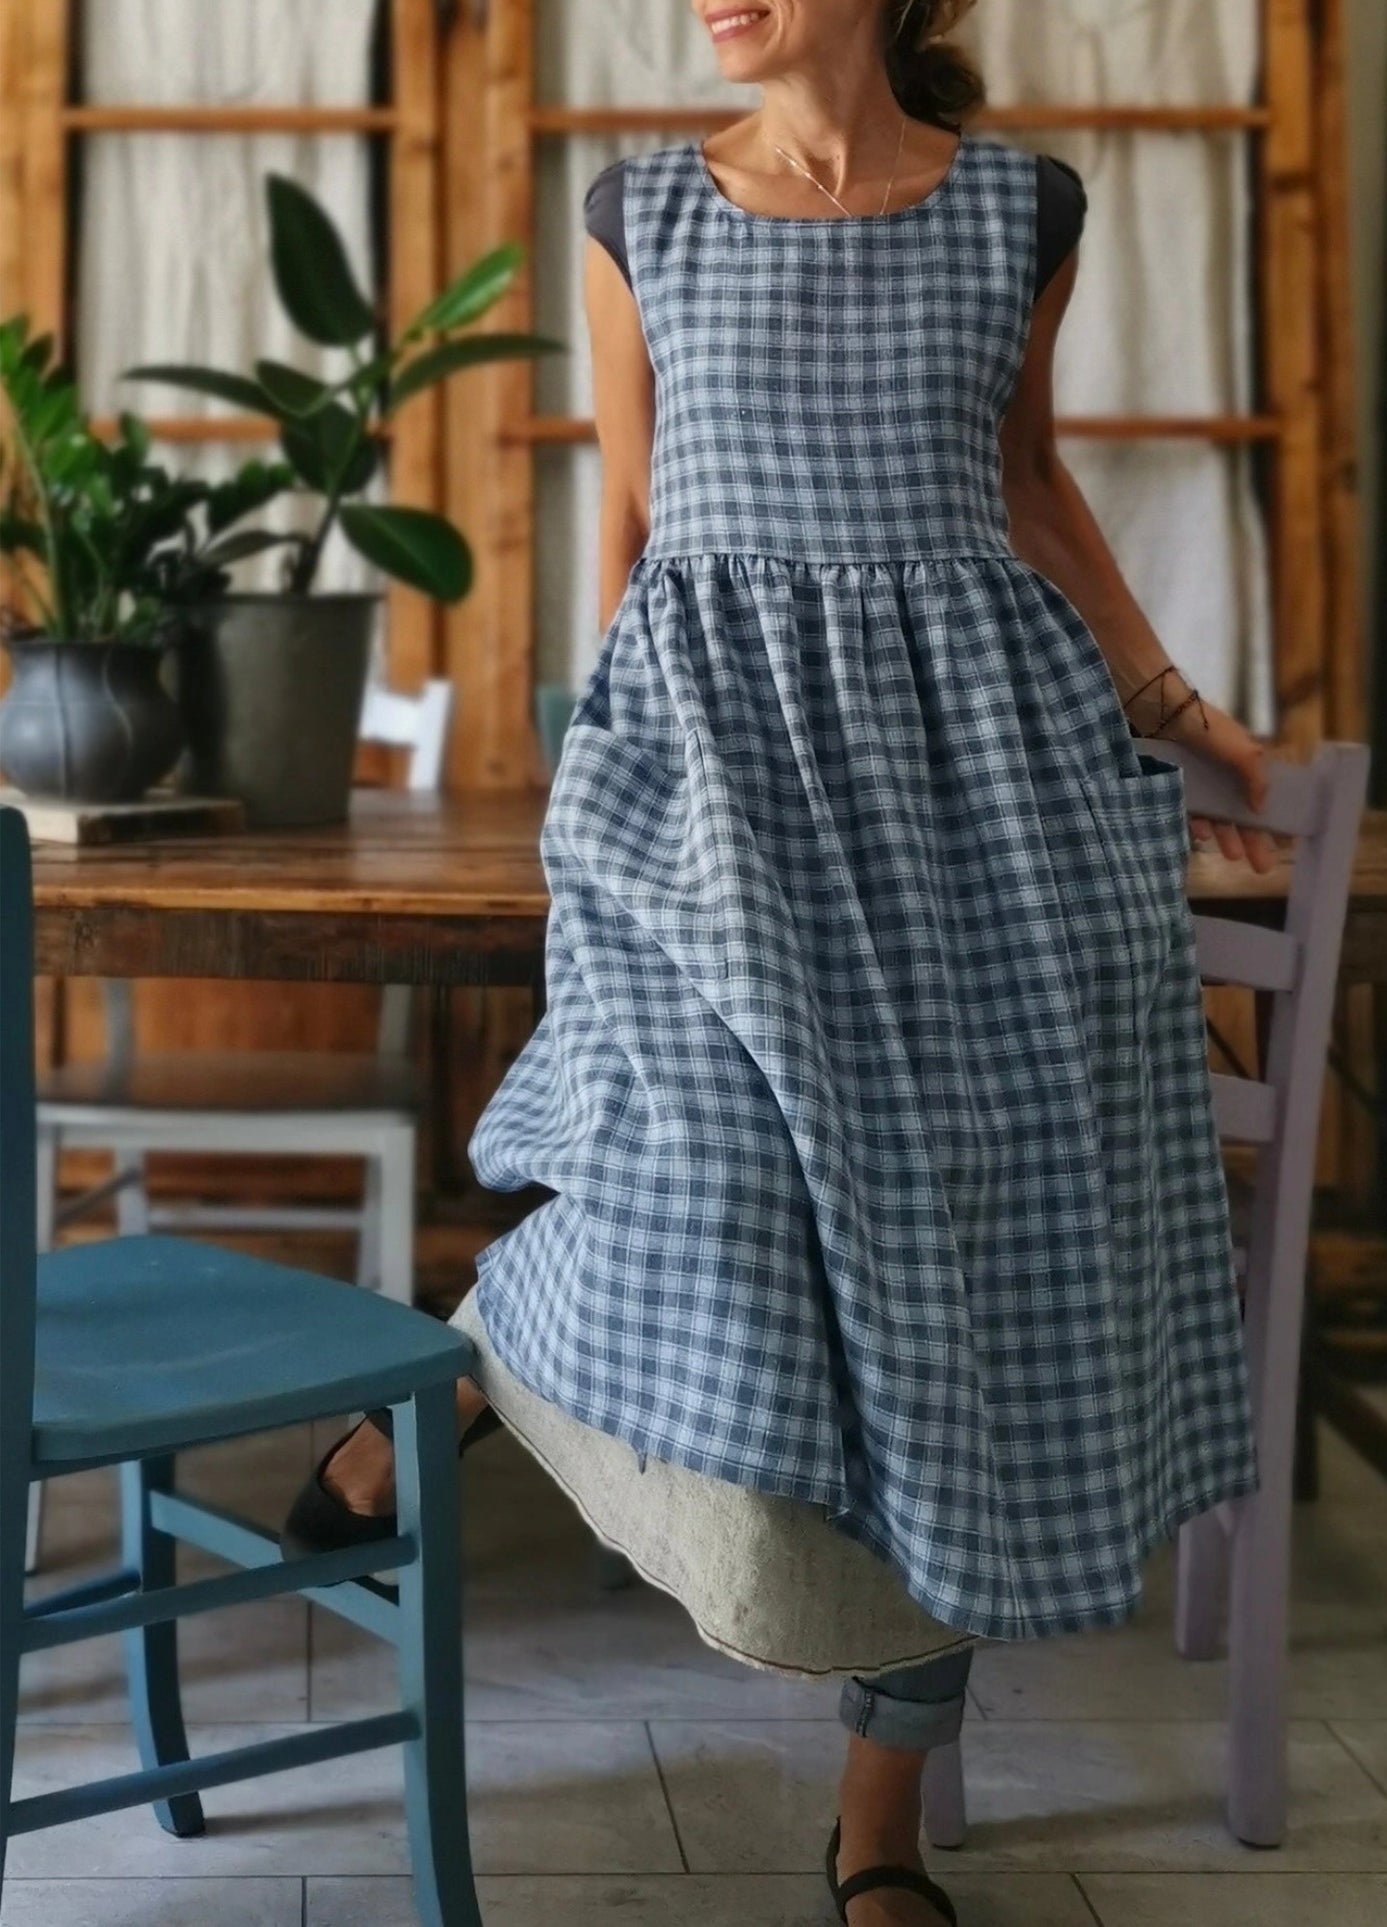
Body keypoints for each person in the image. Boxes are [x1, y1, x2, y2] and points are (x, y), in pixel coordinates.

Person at [286, 3, 1290, 1919]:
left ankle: (880, 1828)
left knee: (963, 1291)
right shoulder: (640, 209)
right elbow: (643, 515)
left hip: (985, 790)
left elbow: (1029, 481)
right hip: (724, 782)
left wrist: (1174, 708)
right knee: (699, 1177)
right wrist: (605, 764)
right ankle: (483, 1362)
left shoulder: (1021, 208)